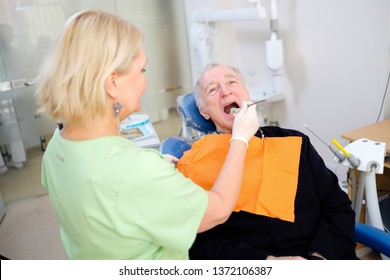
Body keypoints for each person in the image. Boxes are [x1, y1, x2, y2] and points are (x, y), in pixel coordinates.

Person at [35, 10, 259, 260]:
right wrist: (239, 139)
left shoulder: (58, 145)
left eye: (232, 82)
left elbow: (103, 193)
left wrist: (147, 175)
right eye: (142, 70)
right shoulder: (136, 170)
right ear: (112, 83)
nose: (145, 81)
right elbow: (217, 210)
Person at [175, 63, 358, 260]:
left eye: (232, 82)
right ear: (204, 112)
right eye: (212, 89)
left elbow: (337, 206)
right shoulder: (194, 165)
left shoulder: (295, 142)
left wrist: (319, 258)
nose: (225, 91)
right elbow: (201, 246)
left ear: (247, 95)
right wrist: (268, 264)